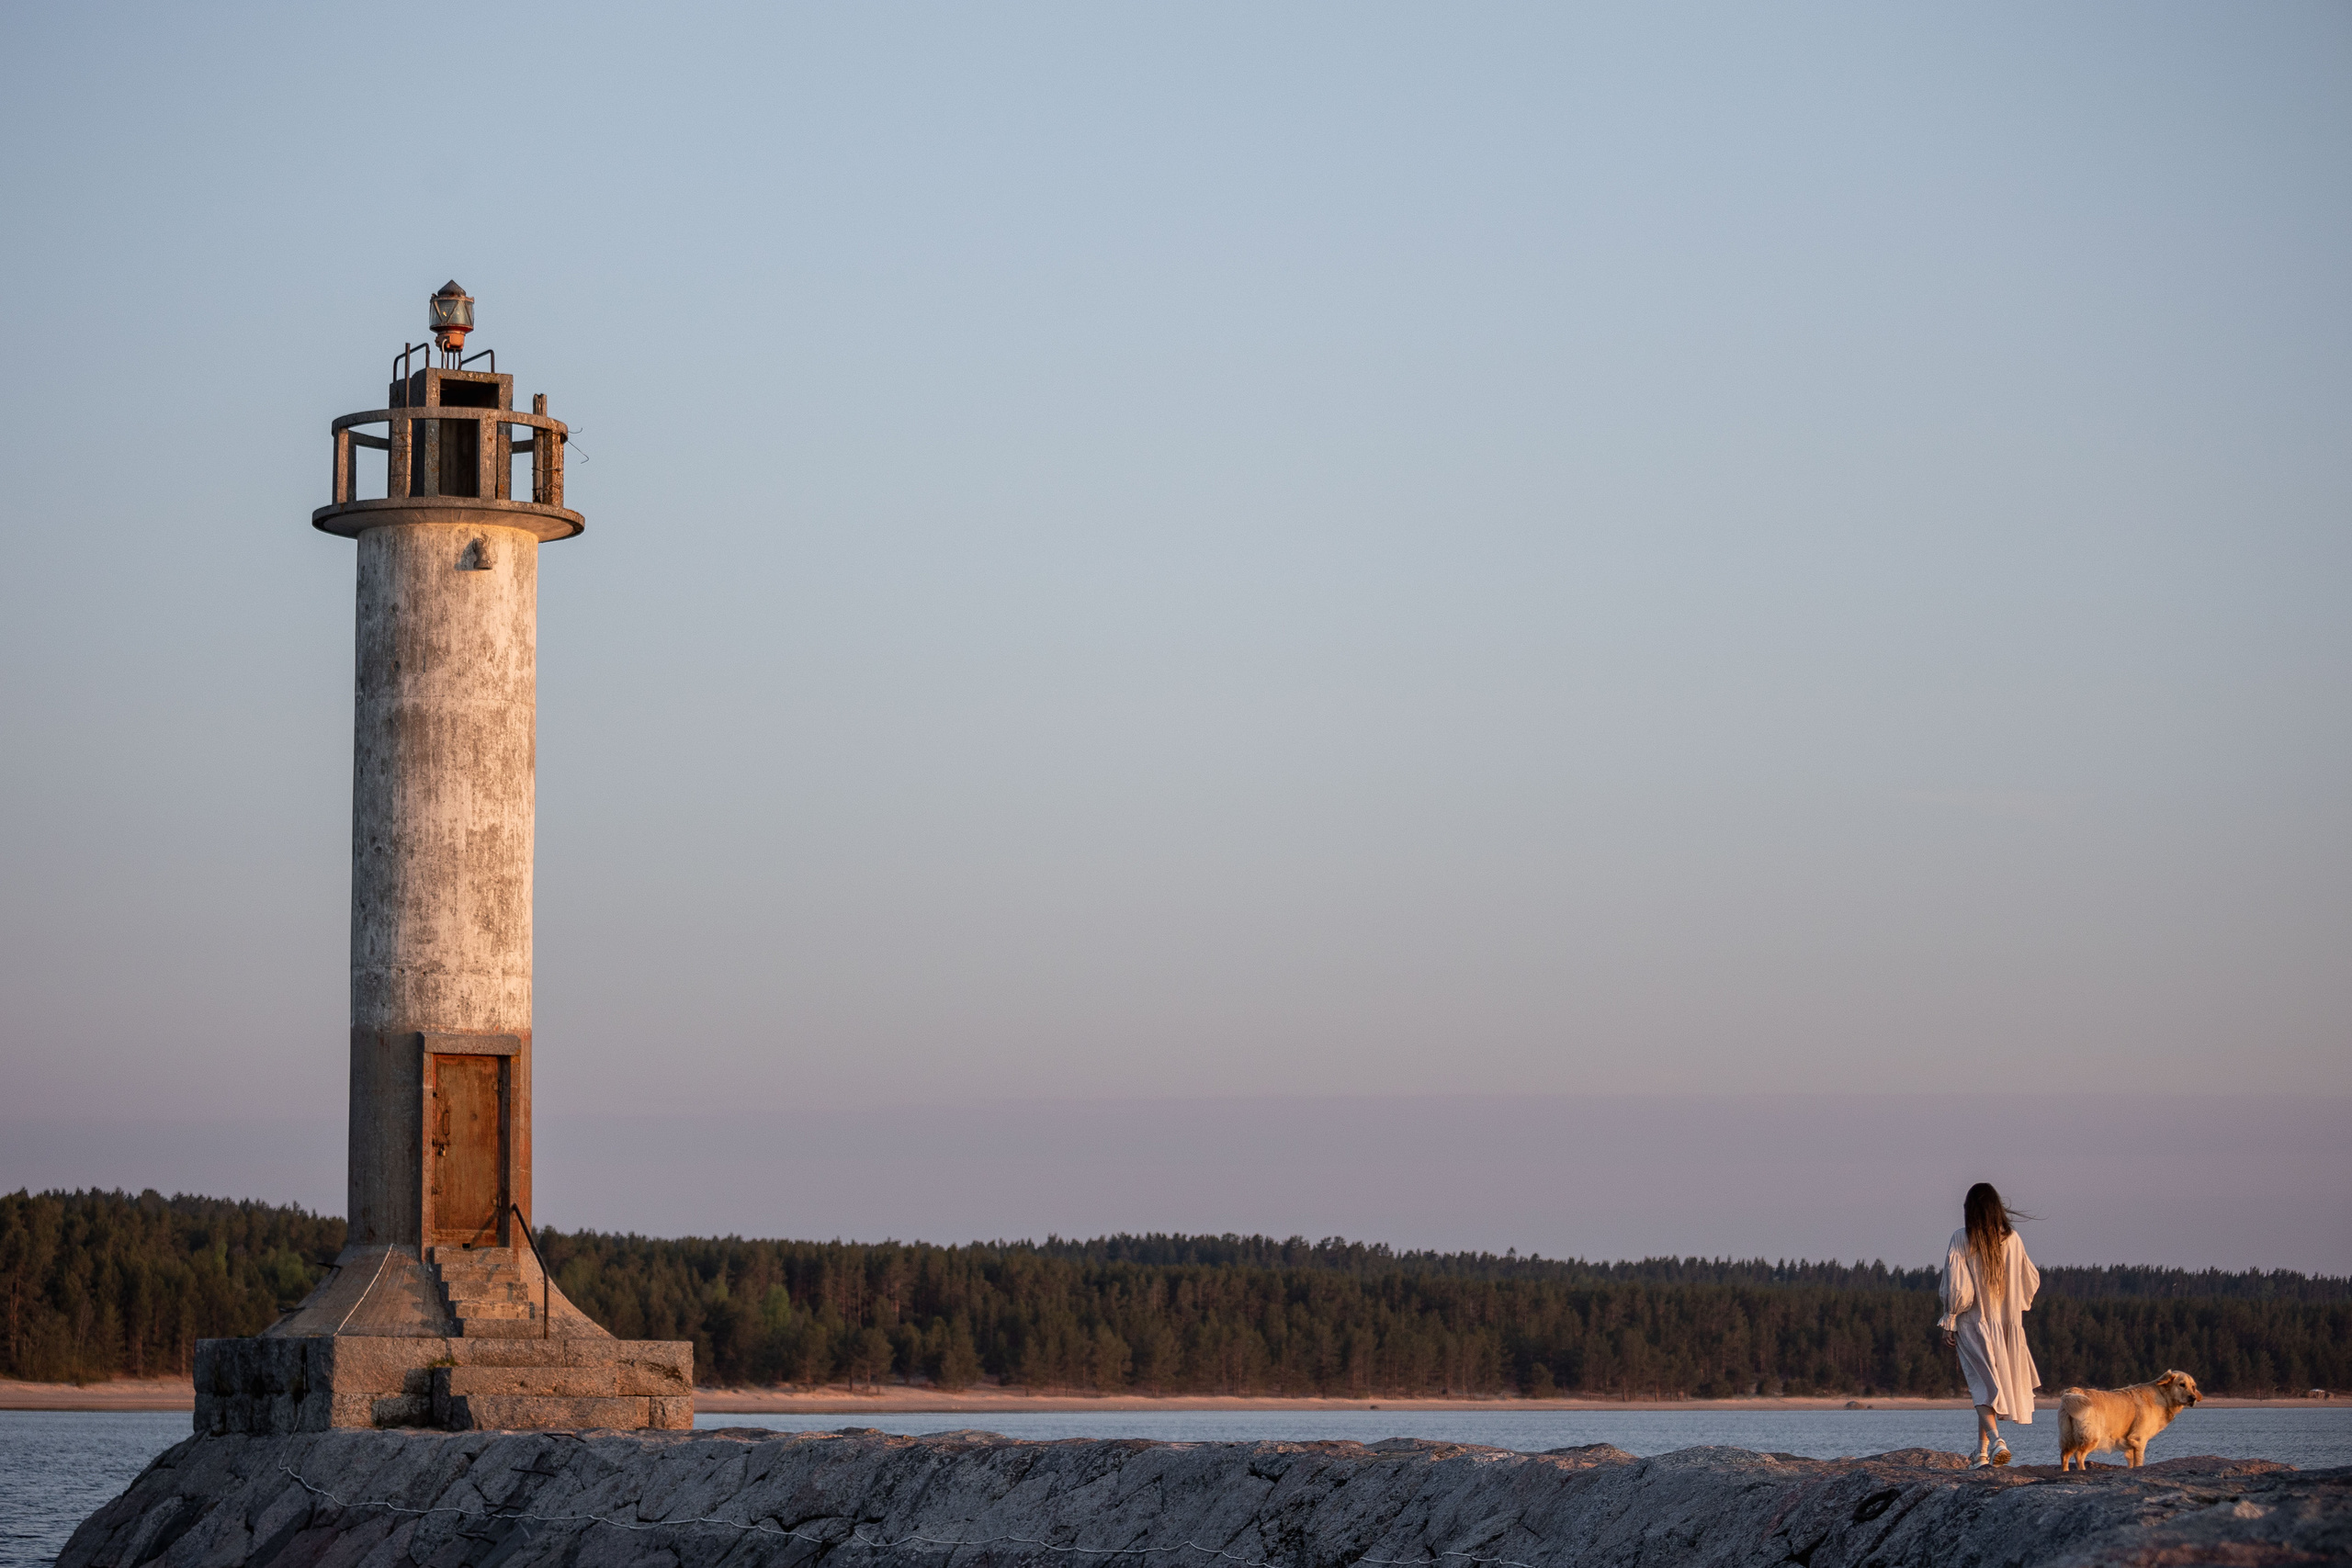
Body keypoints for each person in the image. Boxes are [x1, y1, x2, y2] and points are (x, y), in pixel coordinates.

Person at [1938, 1182, 2041, 1467]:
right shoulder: (2013, 1239)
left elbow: (1959, 1288)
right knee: (1987, 1386)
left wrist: (1950, 1320)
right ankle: (1982, 1453)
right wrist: (2011, 1309)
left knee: (1980, 1386)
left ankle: (1996, 1442)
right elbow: (2030, 1280)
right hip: (2006, 1327)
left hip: (1973, 1324)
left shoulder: (1962, 1238)